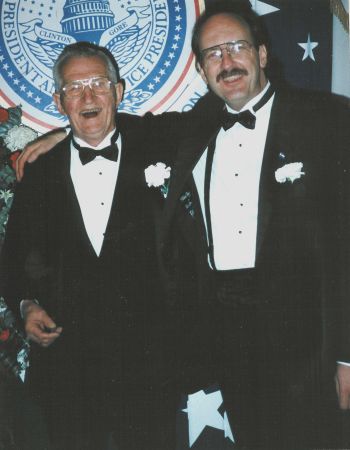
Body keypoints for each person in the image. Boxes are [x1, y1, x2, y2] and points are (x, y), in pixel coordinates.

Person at [15, 2, 350, 447]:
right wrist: (63, 134)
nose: (226, 62)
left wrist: (347, 356)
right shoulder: (196, 127)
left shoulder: (329, 119)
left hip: (307, 338)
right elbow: (118, 127)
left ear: (263, 54)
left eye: (236, 48)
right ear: (201, 69)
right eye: (213, 54)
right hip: (228, 333)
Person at [0, 41, 180, 450]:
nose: (87, 96)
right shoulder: (39, 169)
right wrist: (26, 306)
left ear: (118, 91)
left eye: (98, 83)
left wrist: (63, 133)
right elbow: (14, 257)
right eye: (74, 87)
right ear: (58, 100)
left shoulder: (156, 145)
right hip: (68, 366)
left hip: (149, 365)